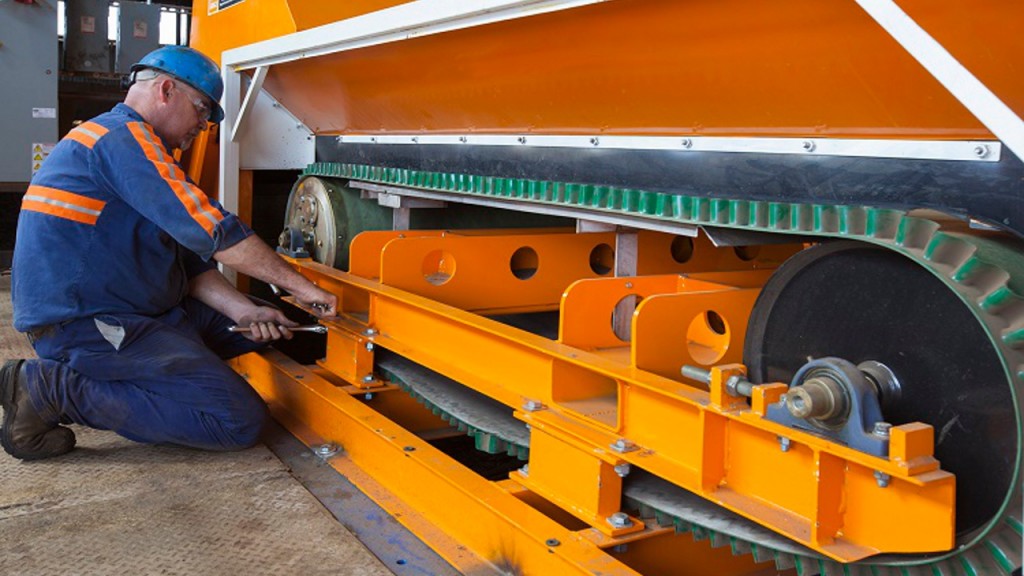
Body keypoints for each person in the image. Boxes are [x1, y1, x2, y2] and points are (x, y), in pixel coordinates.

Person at [0, 46, 337, 461]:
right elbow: (214, 231)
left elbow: (189, 262)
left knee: (265, 327)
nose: (202, 126)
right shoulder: (122, 140)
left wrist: (245, 312)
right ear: (165, 90)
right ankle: (50, 389)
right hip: (87, 324)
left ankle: (156, 367)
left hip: (137, 306)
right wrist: (300, 286)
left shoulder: (130, 145)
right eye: (201, 111)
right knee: (237, 419)